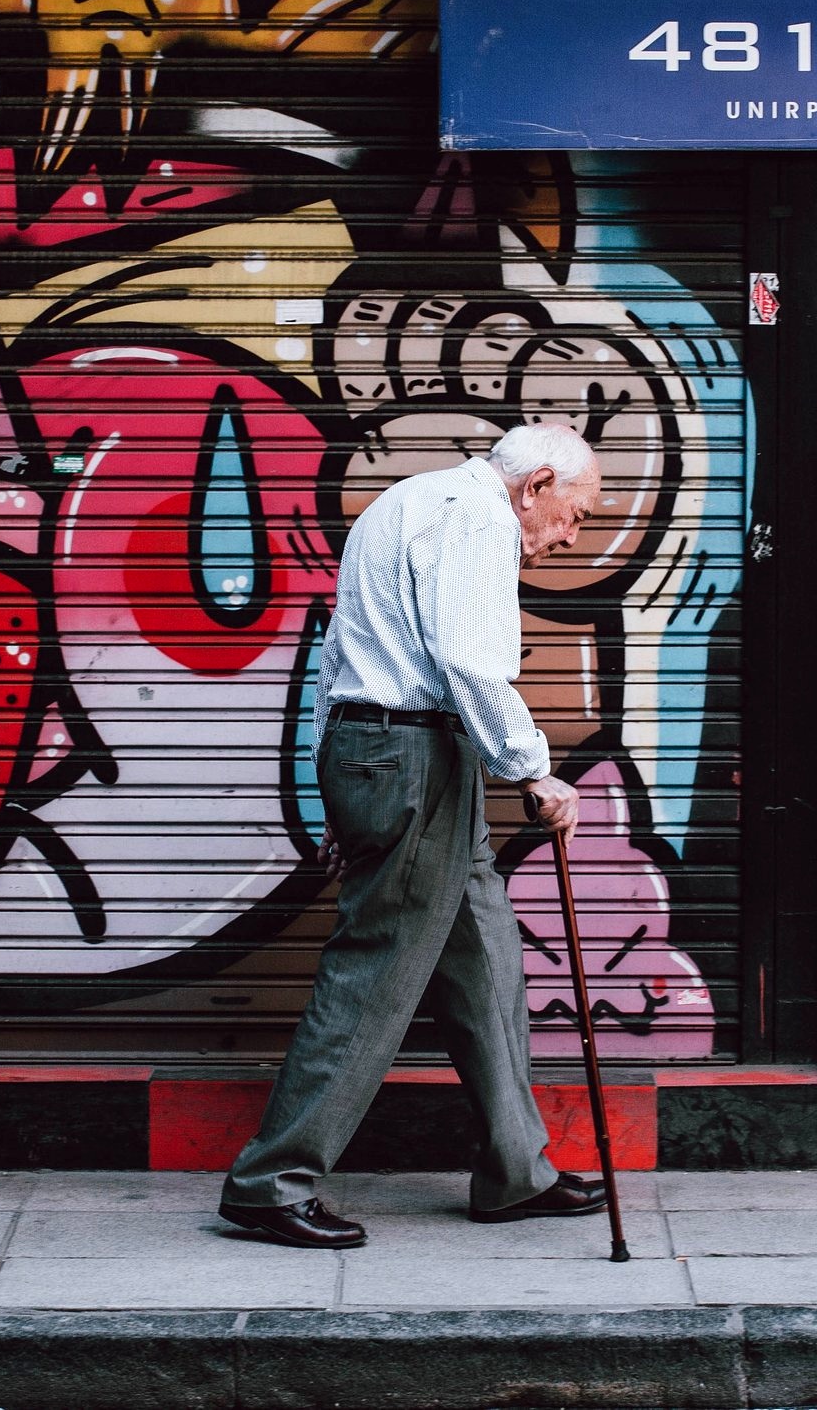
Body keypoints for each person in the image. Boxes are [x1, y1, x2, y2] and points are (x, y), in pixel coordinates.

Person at [219, 423, 612, 1249]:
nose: (572, 536)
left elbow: (340, 652)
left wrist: (340, 772)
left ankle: (516, 1171)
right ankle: (269, 1183)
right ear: (536, 484)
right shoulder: (477, 519)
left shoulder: (407, 502)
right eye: (576, 514)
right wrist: (533, 768)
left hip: (392, 750)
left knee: (487, 961)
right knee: (377, 973)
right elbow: (471, 661)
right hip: (413, 755)